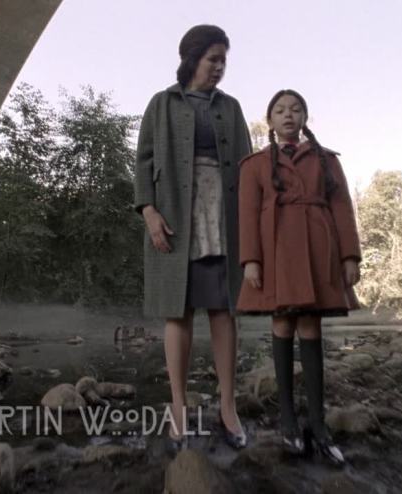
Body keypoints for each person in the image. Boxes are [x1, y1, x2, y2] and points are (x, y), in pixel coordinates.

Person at [133, 25, 253, 451]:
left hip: (222, 215)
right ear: (193, 58)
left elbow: (248, 165)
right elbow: (143, 161)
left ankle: (227, 406)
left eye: (224, 60)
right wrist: (149, 212)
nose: (219, 67)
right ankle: (179, 405)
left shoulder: (231, 107)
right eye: (213, 59)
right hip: (174, 215)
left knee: (223, 310)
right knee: (178, 311)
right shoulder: (161, 103)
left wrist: (252, 223)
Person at [236, 89, 362, 464]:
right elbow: (247, 214)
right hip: (275, 250)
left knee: (310, 325)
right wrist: (251, 260)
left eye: (295, 109)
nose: (288, 114)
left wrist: (349, 256)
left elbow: (343, 208)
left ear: (305, 117)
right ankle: (288, 423)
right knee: (282, 323)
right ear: (270, 121)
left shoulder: (326, 160)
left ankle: (318, 427)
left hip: (318, 248)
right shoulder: (254, 164)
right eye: (280, 110)